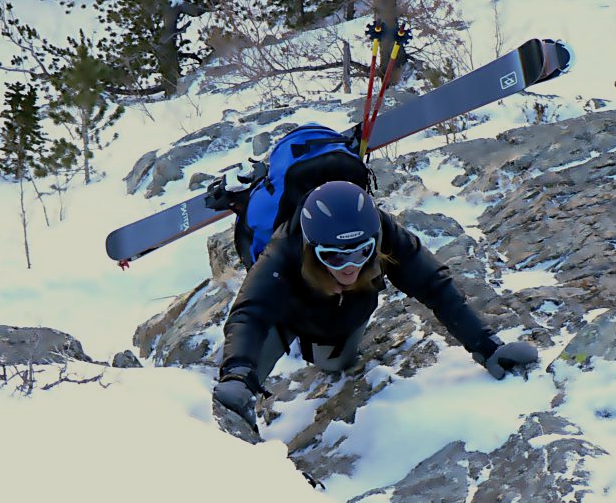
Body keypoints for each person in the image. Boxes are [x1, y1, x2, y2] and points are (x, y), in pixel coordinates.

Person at [213, 180, 538, 431]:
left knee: (334, 364)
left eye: (361, 251)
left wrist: (488, 346)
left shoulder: (383, 233)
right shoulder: (285, 251)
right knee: (240, 383)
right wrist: (238, 373)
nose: (350, 266)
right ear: (312, 248)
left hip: (344, 323)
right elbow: (250, 312)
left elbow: (435, 287)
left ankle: (319, 349)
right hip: (287, 318)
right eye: (334, 256)